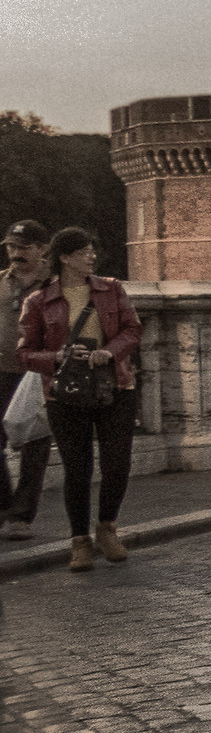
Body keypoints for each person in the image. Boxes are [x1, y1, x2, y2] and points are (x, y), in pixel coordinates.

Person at [15, 228, 141, 571]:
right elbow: (26, 354)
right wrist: (57, 358)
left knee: (117, 463)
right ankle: (79, 540)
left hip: (114, 385)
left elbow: (133, 329)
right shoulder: (39, 301)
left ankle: (108, 528)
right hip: (66, 392)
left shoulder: (112, 289)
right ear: (65, 257)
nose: (92, 257)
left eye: (92, 251)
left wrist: (108, 352)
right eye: (84, 252)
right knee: (78, 468)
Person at [2, 220, 53, 539]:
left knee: (35, 445)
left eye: (23, 247)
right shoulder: (0, 282)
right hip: (1, 370)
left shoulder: (56, 285)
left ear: (42, 249)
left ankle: (21, 516)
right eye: (11, 246)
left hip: (35, 374)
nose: (15, 253)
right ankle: (5, 504)